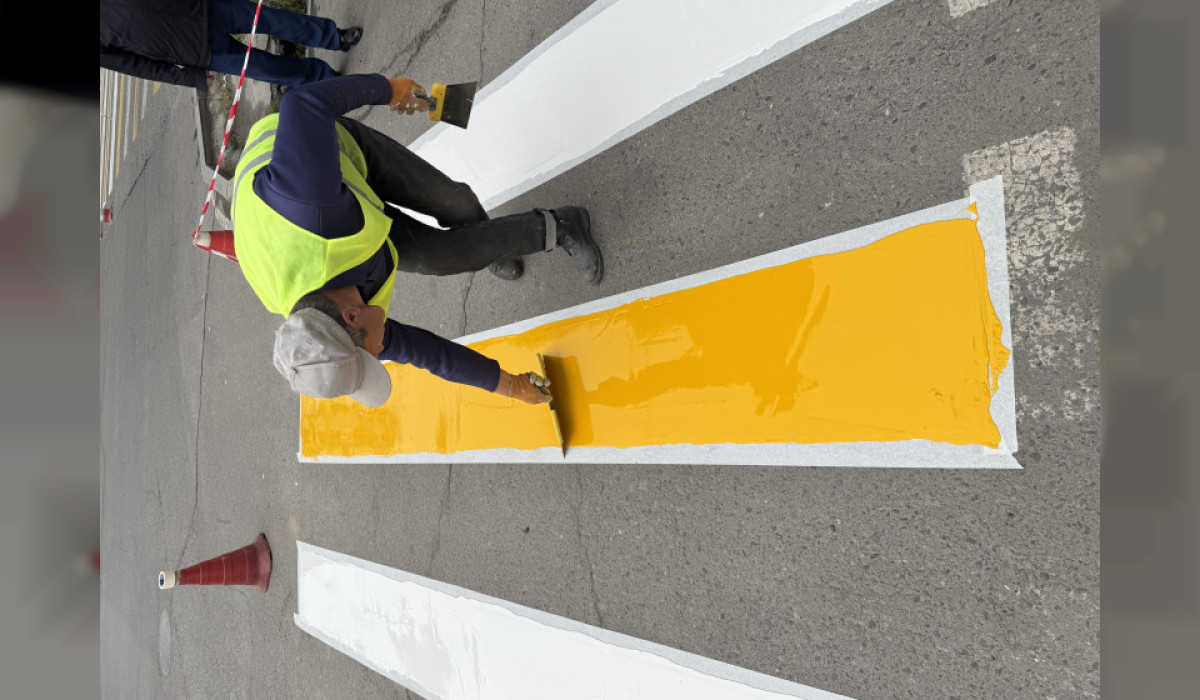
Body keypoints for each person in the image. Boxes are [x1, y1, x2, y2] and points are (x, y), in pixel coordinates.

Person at [230, 73, 604, 407]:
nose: (381, 352)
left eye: (374, 353)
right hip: (349, 229)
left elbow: (303, 103)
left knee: (452, 202)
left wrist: (389, 89)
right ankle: (559, 226)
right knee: (444, 257)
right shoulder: (334, 333)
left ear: (352, 314)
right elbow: (426, 353)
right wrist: (509, 386)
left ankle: (497, 241)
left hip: (328, 158)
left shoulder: (308, 204)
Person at [100, 0, 363, 90]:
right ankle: (324, 79)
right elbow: (137, 66)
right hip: (194, 48)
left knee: (274, 20)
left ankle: (334, 37)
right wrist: (190, 77)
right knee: (267, 68)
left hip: (203, 6)